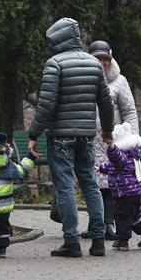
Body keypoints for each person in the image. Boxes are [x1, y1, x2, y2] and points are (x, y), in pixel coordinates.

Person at [27, 17, 114, 258]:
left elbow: (46, 105)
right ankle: (98, 240)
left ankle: (71, 241)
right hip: (86, 136)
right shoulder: (94, 64)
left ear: (58, 40)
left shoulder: (54, 64)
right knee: (90, 184)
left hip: (61, 137)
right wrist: (107, 131)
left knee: (65, 187)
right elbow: (105, 102)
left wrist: (34, 134)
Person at [81, 40, 139, 241]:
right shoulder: (83, 80)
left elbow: (129, 111)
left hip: (111, 141)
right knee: (92, 184)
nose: (102, 62)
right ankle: (95, 224)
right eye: (98, 58)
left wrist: (131, 140)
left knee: (109, 184)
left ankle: (108, 225)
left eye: (105, 58)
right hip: (88, 139)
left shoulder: (120, 81)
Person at [97, 123, 141, 251]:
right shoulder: (132, 154)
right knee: (134, 215)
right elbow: (114, 166)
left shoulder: (123, 154)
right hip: (134, 192)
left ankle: (122, 241)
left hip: (124, 193)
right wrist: (102, 167)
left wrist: (112, 146)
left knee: (122, 217)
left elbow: (117, 159)